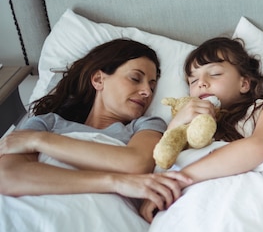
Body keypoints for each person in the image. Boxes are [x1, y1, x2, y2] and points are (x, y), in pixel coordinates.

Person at [0, 38, 190, 212]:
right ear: (99, 80)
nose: (147, 92)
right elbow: (8, 177)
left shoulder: (146, 125)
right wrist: (112, 181)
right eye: (135, 78)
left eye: (152, 86)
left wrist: (39, 141)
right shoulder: (47, 123)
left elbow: (135, 164)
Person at [139, 37, 263, 222]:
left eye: (215, 74)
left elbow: (258, 147)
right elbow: (162, 161)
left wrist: (182, 179)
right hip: (184, 203)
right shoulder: (187, 124)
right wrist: (177, 122)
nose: (201, 83)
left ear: (244, 83)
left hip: (233, 197)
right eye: (193, 80)